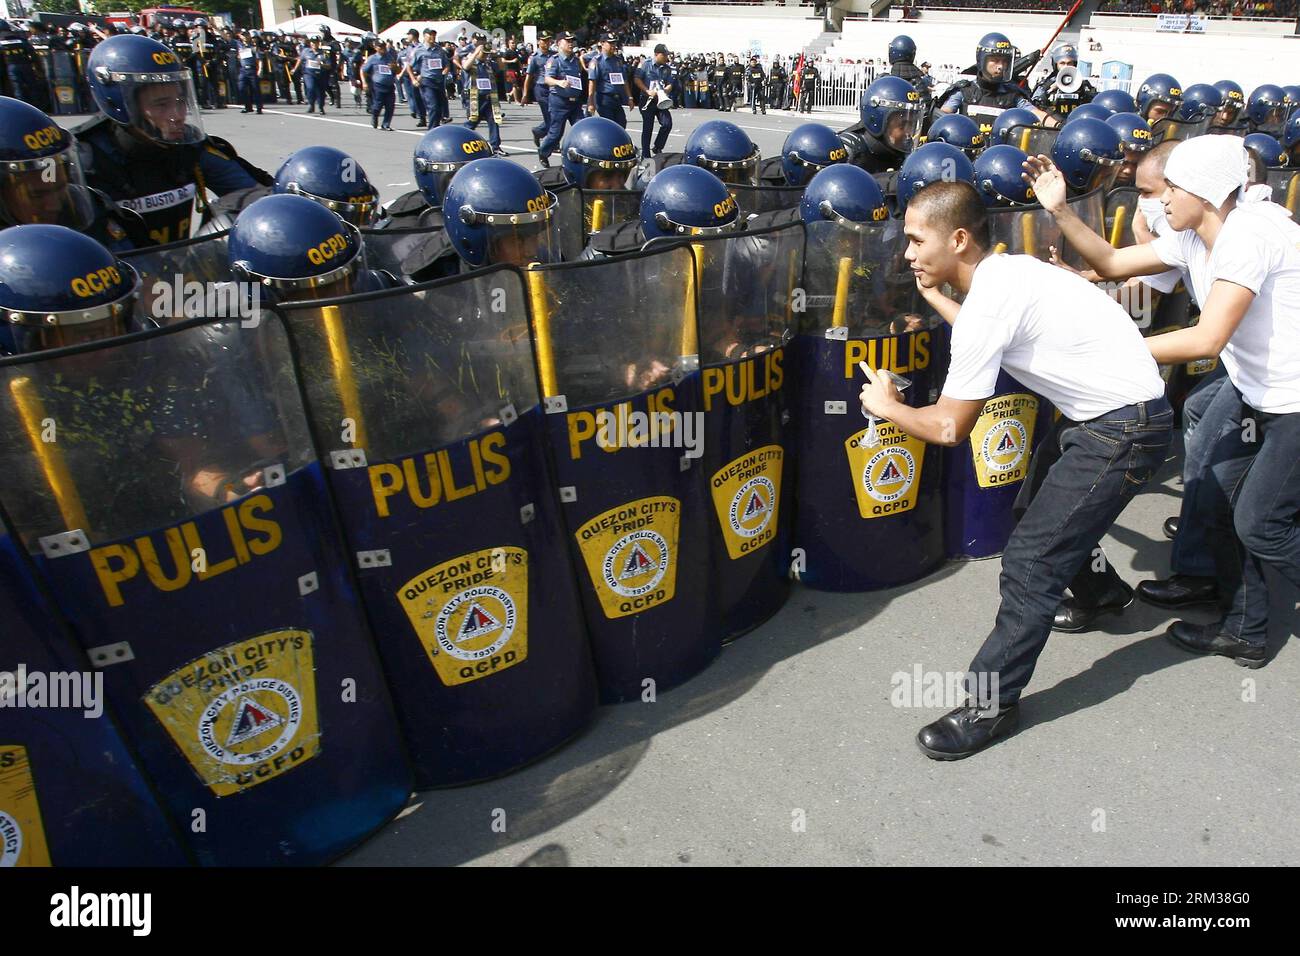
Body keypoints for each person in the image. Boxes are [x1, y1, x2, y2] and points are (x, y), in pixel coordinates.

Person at [859, 179, 1170, 758]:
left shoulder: (991, 303)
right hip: (1111, 414)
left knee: (1030, 561)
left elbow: (951, 429)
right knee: (1037, 512)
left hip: (1122, 429)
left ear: (956, 239)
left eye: (913, 240)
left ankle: (990, 704)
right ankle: (1102, 594)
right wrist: (935, 299)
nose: (906, 254)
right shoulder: (1008, 273)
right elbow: (989, 327)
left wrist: (889, 408)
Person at [1026, 136, 1300, 668]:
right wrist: (1058, 209)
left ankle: (1248, 617)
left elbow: (1205, 340)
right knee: (1219, 503)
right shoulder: (1193, 236)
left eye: (1172, 188)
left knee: (1260, 523)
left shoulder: (1249, 234)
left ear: (1204, 191)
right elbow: (1109, 260)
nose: (1161, 200)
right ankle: (1245, 629)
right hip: (1254, 390)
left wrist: (1116, 351)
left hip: (1294, 400)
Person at [77, 34, 269, 248]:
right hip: (121, 277)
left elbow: (253, 194)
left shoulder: (189, 146)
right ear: (119, 103)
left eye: (180, 101)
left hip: (183, 273)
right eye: (161, 104)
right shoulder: (86, 164)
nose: (178, 115)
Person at [0, 96, 147, 251]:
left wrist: (175, 275)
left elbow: (135, 263)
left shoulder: (88, 209)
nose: (55, 205)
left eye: (61, 188)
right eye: (36, 195)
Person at [935, 33, 1061, 132]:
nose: (1000, 66)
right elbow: (943, 116)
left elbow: (1036, 114)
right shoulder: (964, 91)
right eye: (994, 60)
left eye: (1004, 61)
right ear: (981, 60)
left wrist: (1059, 126)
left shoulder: (1013, 95)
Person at [538, 33, 587, 169]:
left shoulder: (576, 61)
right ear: (559, 43)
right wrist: (559, 82)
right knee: (555, 133)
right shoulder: (554, 60)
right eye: (568, 41)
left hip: (575, 102)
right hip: (559, 101)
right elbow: (547, 79)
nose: (571, 44)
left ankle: (582, 156)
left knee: (581, 128)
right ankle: (543, 152)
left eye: (572, 41)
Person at [461, 34, 505, 155]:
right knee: (472, 122)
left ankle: (495, 146)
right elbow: (465, 66)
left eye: (487, 53)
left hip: (489, 97)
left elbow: (501, 67)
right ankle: (461, 139)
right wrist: (475, 53)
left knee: (494, 121)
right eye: (484, 53)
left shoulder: (488, 63)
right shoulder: (469, 59)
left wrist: (497, 54)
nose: (485, 55)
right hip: (475, 97)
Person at [635, 43, 676, 159]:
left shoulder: (667, 69)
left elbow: (670, 84)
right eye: (664, 55)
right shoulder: (645, 64)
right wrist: (647, 90)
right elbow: (637, 79)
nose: (666, 57)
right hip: (647, 100)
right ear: (657, 54)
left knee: (667, 123)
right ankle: (646, 155)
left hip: (661, 100)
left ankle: (658, 146)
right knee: (648, 127)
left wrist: (666, 90)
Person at [587, 33, 634, 127]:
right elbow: (592, 82)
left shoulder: (618, 60)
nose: (613, 46)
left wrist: (630, 97)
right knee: (610, 126)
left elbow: (624, 80)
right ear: (602, 44)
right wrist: (591, 102)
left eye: (614, 43)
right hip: (604, 98)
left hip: (617, 98)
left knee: (622, 124)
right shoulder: (597, 61)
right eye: (610, 43)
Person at [362, 38, 398, 130]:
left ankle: (386, 124)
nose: (383, 48)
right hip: (378, 86)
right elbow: (363, 71)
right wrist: (365, 82)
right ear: (376, 48)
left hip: (390, 85)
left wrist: (395, 67)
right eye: (380, 47)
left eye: (384, 46)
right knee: (378, 105)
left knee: (390, 106)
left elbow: (397, 70)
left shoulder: (390, 57)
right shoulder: (372, 59)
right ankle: (375, 116)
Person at [526, 33, 554, 148]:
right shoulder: (535, 57)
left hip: (552, 87)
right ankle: (552, 141)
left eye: (548, 40)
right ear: (539, 42)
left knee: (555, 116)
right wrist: (525, 94)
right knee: (550, 116)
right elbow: (529, 76)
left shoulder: (553, 55)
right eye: (544, 40)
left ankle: (539, 131)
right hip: (541, 88)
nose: (546, 43)